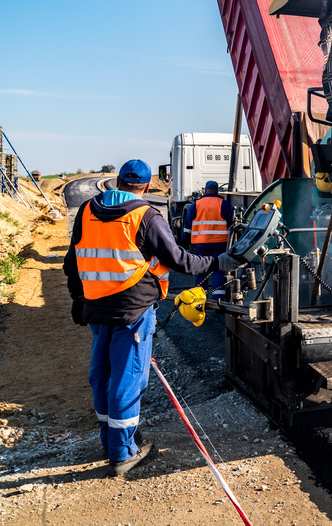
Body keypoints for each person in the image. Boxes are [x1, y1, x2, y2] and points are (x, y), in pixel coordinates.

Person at [64, 159, 241, 476]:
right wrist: (221, 262)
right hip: (132, 311)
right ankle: (122, 452)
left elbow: (72, 260)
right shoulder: (146, 216)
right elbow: (181, 261)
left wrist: (78, 297)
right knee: (128, 379)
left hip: (96, 309)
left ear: (117, 182)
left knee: (101, 374)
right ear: (146, 187)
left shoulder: (88, 211)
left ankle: (110, 438)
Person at [181, 180, 233, 294]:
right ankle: (218, 299)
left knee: (200, 269)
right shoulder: (223, 204)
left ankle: (200, 299)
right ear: (217, 191)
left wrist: (185, 241)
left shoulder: (196, 205)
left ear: (205, 190)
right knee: (218, 269)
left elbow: (187, 227)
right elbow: (231, 225)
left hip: (200, 244)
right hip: (220, 243)